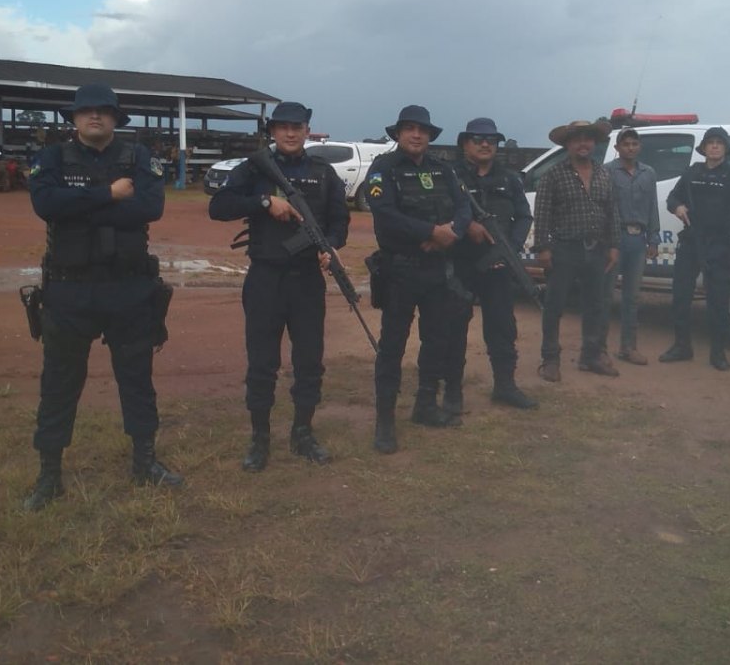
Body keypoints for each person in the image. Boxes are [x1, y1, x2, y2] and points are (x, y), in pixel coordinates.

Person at [24, 83, 181, 512]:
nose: (95, 116)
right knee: (59, 383)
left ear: (115, 118)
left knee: (137, 379)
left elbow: (149, 209)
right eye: (86, 110)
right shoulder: (53, 157)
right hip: (69, 290)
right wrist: (108, 195)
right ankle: (49, 476)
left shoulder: (138, 157)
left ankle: (145, 462)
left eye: (104, 111)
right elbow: (46, 204)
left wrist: (78, 206)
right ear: (74, 118)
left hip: (128, 289)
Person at [209, 101, 350, 472]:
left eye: (297, 127)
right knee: (262, 364)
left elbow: (339, 221)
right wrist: (264, 201)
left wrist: (332, 246)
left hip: (308, 282)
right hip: (266, 279)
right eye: (283, 126)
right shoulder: (255, 168)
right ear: (272, 131)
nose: (290, 133)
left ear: (307, 131)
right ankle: (260, 439)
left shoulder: (323, 173)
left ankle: (303, 433)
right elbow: (218, 206)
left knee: (309, 362)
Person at [366, 105, 472, 453]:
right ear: (398, 134)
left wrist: (451, 233)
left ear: (429, 136)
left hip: (437, 270)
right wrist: (429, 232)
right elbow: (384, 213)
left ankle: (425, 405)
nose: (416, 135)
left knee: (436, 340)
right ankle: (385, 421)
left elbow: (464, 207)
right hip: (400, 270)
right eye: (409, 129)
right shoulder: (383, 168)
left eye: (422, 130)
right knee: (392, 346)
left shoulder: (443, 169)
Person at [447, 118, 539, 411]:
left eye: (491, 140)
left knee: (502, 327)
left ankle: (505, 386)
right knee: (453, 327)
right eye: (478, 139)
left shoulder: (510, 179)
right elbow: (439, 211)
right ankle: (452, 391)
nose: (485, 144)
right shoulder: (450, 176)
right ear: (465, 144)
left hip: (498, 267)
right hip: (460, 263)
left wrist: (508, 249)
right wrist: (466, 226)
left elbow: (524, 216)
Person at [659, 126, 730, 371]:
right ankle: (682, 346)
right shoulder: (692, 173)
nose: (714, 146)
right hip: (691, 243)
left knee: (718, 302)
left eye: (719, 143)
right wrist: (677, 207)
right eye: (710, 143)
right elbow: (672, 198)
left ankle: (718, 353)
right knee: (680, 297)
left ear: (725, 148)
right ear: (703, 148)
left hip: (720, 246)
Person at [532, 119, 622, 382]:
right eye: (577, 139)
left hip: (597, 250)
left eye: (588, 138)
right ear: (568, 144)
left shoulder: (604, 174)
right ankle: (550, 359)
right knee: (554, 306)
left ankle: (590, 357)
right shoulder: (553, 175)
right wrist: (543, 248)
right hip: (564, 250)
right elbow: (542, 213)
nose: (583, 144)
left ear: (594, 143)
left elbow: (612, 212)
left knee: (595, 306)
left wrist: (614, 245)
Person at [604, 128, 661, 365]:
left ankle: (628, 347)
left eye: (634, 144)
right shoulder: (606, 171)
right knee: (604, 295)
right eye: (625, 144)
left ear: (639, 147)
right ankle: (597, 349)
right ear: (617, 148)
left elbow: (652, 206)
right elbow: (603, 208)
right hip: (613, 240)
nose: (630, 148)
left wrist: (653, 238)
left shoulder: (648, 173)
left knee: (632, 297)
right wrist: (607, 241)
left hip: (638, 240)